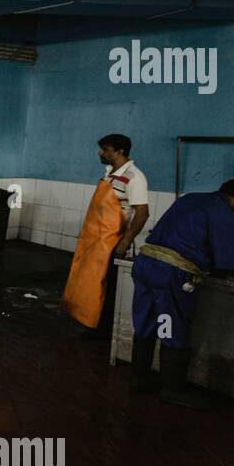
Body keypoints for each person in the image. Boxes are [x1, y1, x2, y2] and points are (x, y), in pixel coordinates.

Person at [129, 176, 234, 408]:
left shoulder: (190, 199)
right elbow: (229, 261)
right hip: (172, 275)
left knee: (146, 323)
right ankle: (172, 389)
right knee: (172, 328)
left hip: (145, 264)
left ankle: (139, 378)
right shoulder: (225, 215)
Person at [63, 133, 150, 338]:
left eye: (105, 150)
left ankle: (103, 331)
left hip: (114, 240)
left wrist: (125, 242)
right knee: (91, 282)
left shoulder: (135, 177)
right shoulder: (110, 174)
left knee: (107, 286)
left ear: (120, 151)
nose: (100, 153)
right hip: (96, 238)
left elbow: (142, 213)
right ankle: (90, 321)